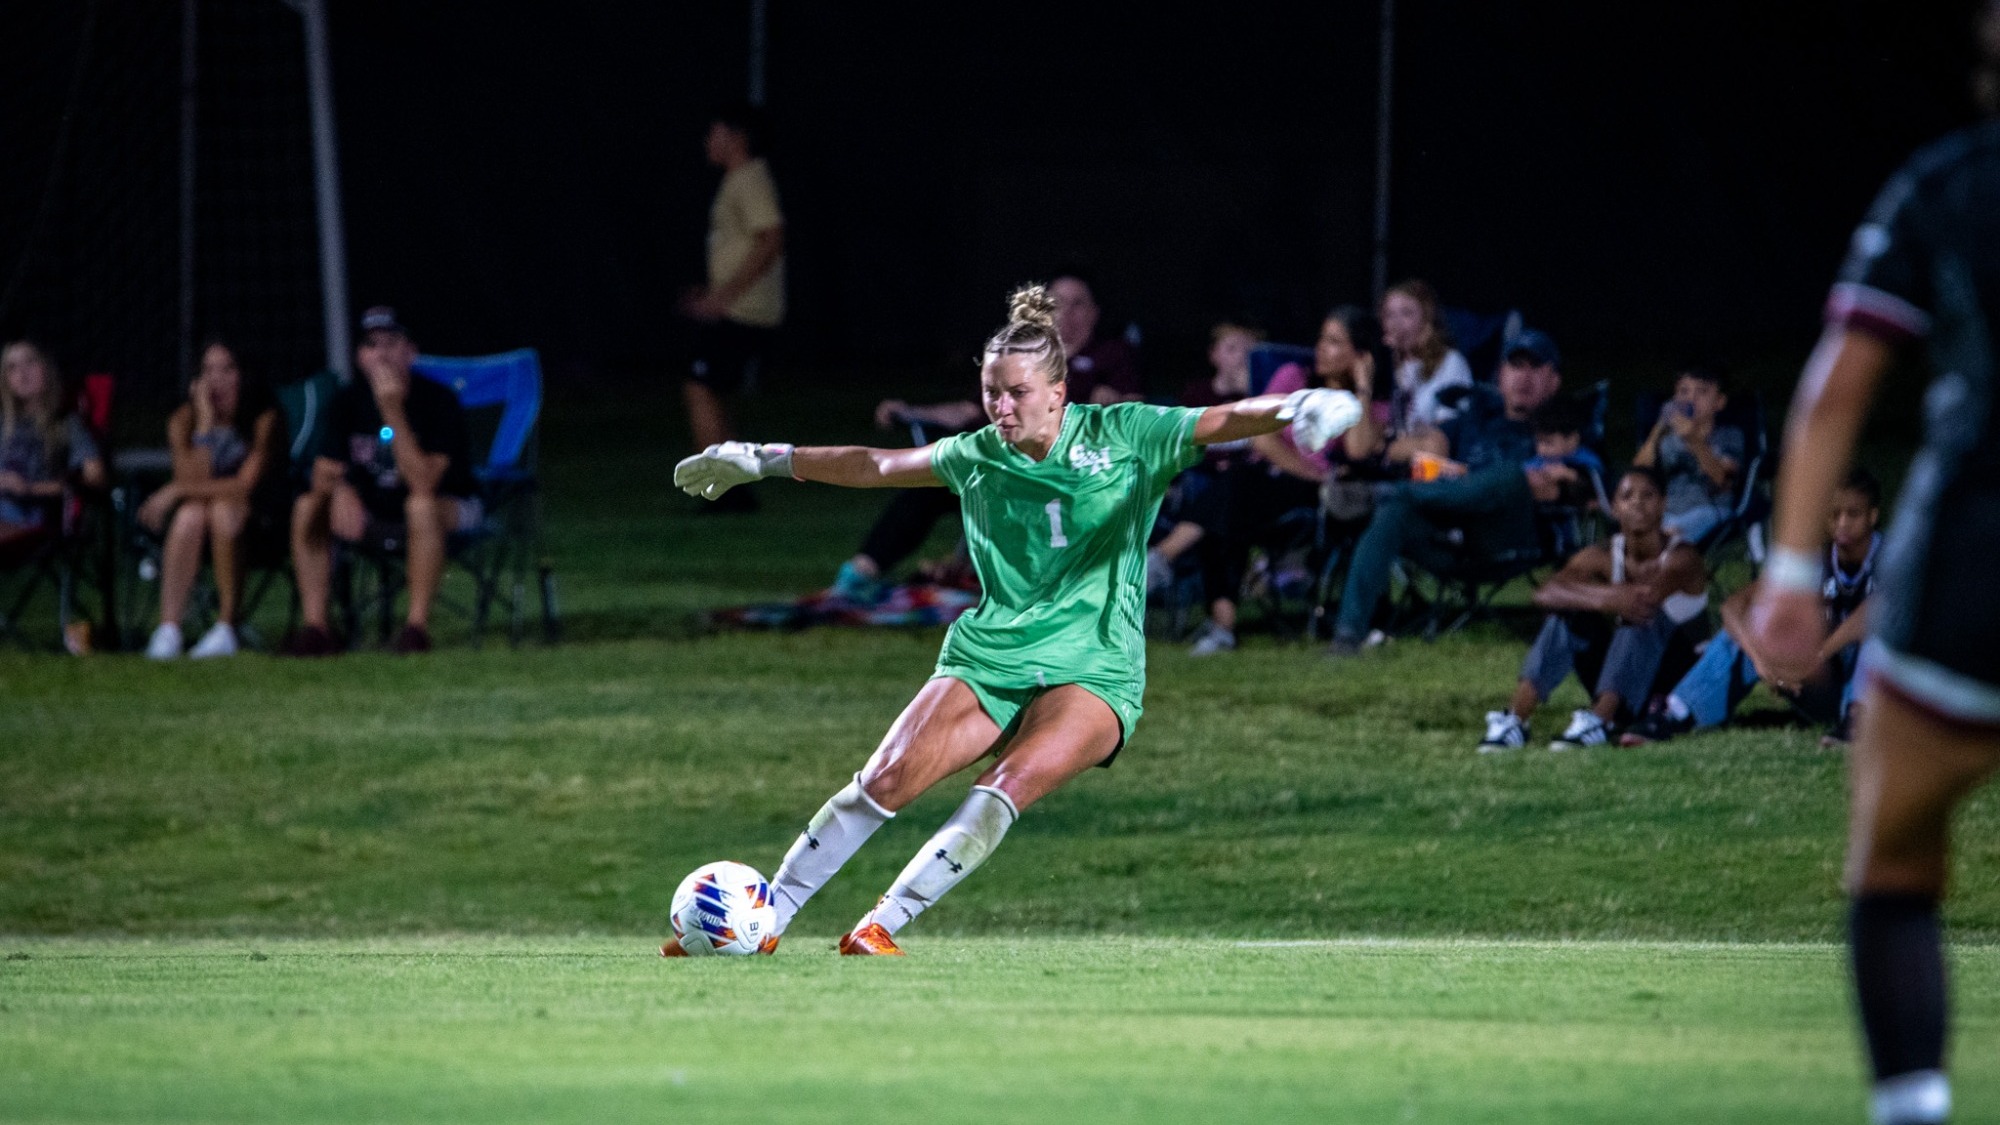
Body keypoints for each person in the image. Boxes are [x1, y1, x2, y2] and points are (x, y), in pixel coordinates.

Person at [669, 283, 1360, 956]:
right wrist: (762, 459)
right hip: (991, 653)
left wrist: (1297, 404)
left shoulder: (1127, 433)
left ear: (1058, 393)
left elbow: (1222, 418)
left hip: (1096, 664)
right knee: (884, 777)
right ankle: (766, 920)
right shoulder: (978, 455)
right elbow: (876, 463)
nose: (1000, 406)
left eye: (1017, 392)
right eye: (991, 391)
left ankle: (882, 923)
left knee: (1007, 784)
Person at [1748, 11, 2000, 1119]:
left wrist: (1791, 572)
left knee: (1895, 863)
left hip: (1970, 578)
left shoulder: (1943, 186)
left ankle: (1911, 1107)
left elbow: (1834, 392)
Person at [829, 271, 1142, 600]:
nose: (1067, 312)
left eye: (1078, 304)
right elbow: (970, 411)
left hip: (1052, 474)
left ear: (1094, 313)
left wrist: (1113, 403)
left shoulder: (1111, 355)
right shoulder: (1024, 355)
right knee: (927, 484)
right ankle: (860, 574)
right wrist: (912, 411)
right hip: (990, 462)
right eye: (1058, 303)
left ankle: (992, 581)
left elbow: (1137, 413)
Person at [1326, 329, 1566, 655]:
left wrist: (1562, 478)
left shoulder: (1562, 428)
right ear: (1501, 375)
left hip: (1512, 537)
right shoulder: (1473, 419)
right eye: (1516, 366)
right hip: (1453, 539)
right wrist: (1431, 451)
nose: (1524, 377)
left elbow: (1587, 477)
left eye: (1535, 368)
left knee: (1510, 476)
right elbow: (1406, 449)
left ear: (1554, 381)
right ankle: (1347, 635)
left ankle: (1391, 493)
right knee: (1395, 513)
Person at [1624, 468, 1881, 748]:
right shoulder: (1816, 561)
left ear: (1872, 516)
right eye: (1834, 514)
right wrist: (1762, 661)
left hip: (1883, 697)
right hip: (1820, 681)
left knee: (1879, 633)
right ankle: (1675, 713)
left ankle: (1857, 720)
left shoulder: (1893, 558)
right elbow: (1733, 606)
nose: (1842, 523)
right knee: (1753, 622)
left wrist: (1817, 656)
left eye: (1853, 515)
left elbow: (1869, 615)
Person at [1182, 307, 1389, 655]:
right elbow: (1261, 436)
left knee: (1229, 497)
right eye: (1322, 339)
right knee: (1229, 507)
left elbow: (1356, 451)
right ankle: (1221, 624)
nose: (1322, 348)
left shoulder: (1373, 406)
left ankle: (1205, 607)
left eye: (1335, 342)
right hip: (1271, 479)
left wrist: (1362, 388)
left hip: (1314, 495)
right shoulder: (1294, 377)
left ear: (1360, 353)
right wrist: (1307, 470)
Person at [286, 307, 478, 656]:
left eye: (391, 343)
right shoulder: (346, 402)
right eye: (372, 345)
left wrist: (392, 411)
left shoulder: (438, 401)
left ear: (411, 352)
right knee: (307, 505)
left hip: (445, 507)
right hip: (372, 509)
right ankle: (317, 628)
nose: (382, 354)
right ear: (360, 357)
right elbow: (321, 472)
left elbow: (423, 483)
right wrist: (340, 489)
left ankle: (415, 629)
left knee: (420, 506)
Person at [1476, 466, 1708, 752]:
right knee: (1573, 614)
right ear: (1614, 507)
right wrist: (1605, 599)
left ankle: (1599, 721)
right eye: (1627, 496)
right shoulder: (1602, 555)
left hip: (1675, 690)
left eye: (1647, 496)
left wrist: (1604, 597)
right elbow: (1545, 593)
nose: (1637, 502)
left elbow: (1643, 600)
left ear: (1663, 504)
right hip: (1627, 682)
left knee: (1643, 613)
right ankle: (1514, 721)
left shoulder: (1682, 558)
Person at [138, 341, 282, 659]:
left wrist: (174, 490)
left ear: (243, 374)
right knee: (190, 514)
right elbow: (193, 481)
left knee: (219, 510)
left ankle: (227, 626)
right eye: (208, 370)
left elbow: (245, 486)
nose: (216, 379)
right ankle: (169, 630)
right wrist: (203, 426)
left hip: (257, 524)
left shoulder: (262, 418)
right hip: (199, 528)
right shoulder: (183, 421)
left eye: (227, 369)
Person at [680, 101, 786, 512]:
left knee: (700, 385)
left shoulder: (748, 178)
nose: (709, 141)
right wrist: (710, 293)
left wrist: (722, 299)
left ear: (736, 137)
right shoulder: (739, 180)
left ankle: (722, 488)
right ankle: (731, 486)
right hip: (738, 308)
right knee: (710, 389)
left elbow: (772, 237)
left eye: (715, 131)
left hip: (744, 312)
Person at [0, 340, 105, 565]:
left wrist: (30, 488)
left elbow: (95, 476)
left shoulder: (66, 424)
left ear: (46, 368)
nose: (22, 373)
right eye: (12, 367)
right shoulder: (3, 423)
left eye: (30, 362)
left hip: (29, 520)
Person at [1633, 367, 1745, 544]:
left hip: (1709, 509)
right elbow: (1638, 474)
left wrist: (1693, 440)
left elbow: (1721, 480)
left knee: (1658, 545)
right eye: (1684, 391)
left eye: (1702, 392)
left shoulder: (1728, 436)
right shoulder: (1668, 439)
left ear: (1719, 402)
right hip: (1666, 511)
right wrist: (1657, 432)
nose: (1691, 399)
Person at [1379, 279, 1473, 447]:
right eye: (1389, 315)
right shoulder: (1384, 367)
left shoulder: (1450, 362)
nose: (1396, 324)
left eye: (1406, 314)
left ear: (1427, 318)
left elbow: (1451, 430)